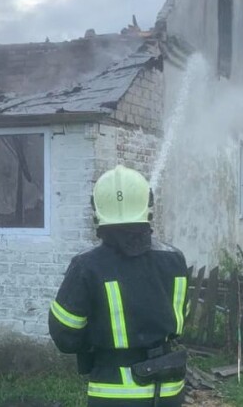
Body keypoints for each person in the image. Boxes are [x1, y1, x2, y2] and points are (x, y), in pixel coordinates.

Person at [49, 165, 189, 406]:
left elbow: (65, 334)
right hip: (168, 388)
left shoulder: (87, 266)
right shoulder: (174, 259)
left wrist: (95, 341)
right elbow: (179, 320)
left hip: (113, 392)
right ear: (148, 207)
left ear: (97, 212)